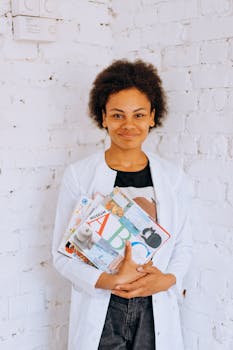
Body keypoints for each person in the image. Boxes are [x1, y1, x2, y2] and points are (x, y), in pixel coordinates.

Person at [52, 59, 192, 350]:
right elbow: (62, 256)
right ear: (103, 117)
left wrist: (166, 280)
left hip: (154, 311)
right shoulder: (80, 175)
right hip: (103, 311)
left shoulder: (173, 177)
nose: (128, 125)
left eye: (139, 115)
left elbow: (184, 246)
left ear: (153, 117)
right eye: (117, 115)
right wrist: (107, 280)